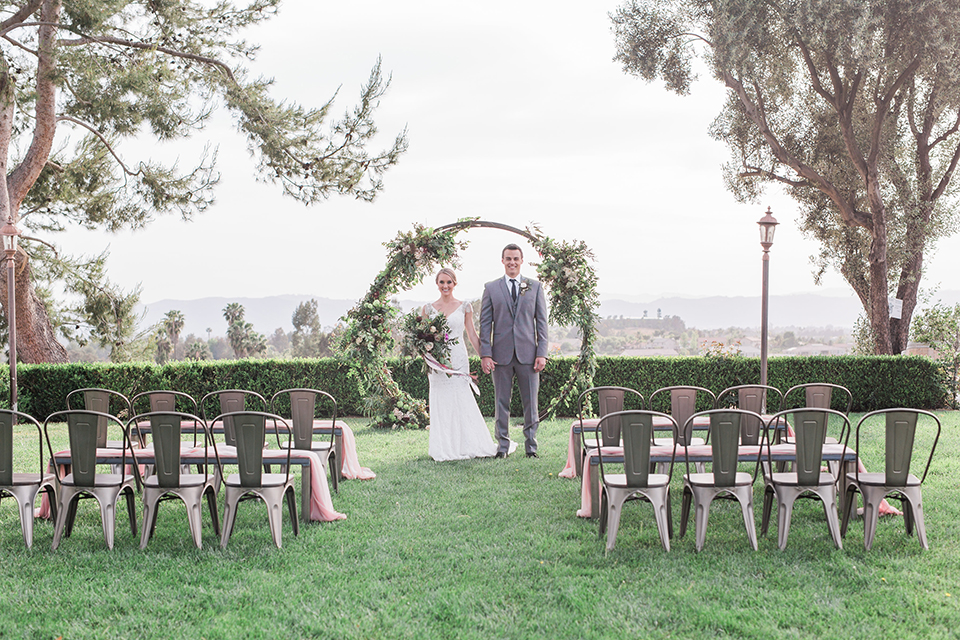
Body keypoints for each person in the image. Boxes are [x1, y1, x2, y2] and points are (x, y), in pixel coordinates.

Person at [423, 268, 501, 461]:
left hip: (458, 358)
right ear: (437, 284)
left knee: (461, 398)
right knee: (441, 400)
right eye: (442, 282)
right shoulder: (428, 309)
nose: (445, 286)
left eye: (449, 282)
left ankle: (468, 444)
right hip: (437, 363)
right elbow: (423, 337)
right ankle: (445, 446)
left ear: (455, 284)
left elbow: (472, 335)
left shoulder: (464, 306)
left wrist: (485, 355)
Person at [480, 244, 549, 458]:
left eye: (516, 259)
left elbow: (542, 323)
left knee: (531, 403)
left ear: (521, 261)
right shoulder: (491, 288)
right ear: (502, 261)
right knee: (501, 402)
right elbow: (485, 324)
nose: (512, 262)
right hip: (500, 356)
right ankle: (502, 446)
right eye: (508, 258)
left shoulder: (535, 287)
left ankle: (531, 447)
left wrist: (542, 352)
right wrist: (486, 354)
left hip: (529, 355)